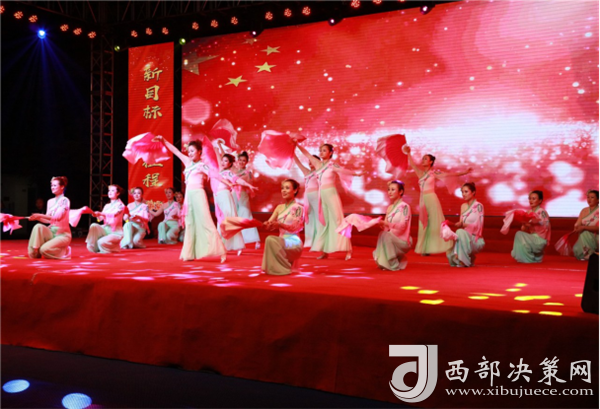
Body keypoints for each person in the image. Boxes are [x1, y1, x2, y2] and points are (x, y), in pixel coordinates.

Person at [153, 136, 227, 262]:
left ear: (199, 152)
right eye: (189, 151)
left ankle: (221, 251)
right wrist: (164, 141)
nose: (190, 153)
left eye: (193, 151)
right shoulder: (187, 162)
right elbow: (176, 151)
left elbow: (215, 175)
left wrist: (229, 183)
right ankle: (189, 253)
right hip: (189, 195)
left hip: (199, 194)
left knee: (206, 221)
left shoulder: (202, 165)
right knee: (190, 223)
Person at [296, 142, 361, 260]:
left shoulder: (332, 165)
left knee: (338, 219)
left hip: (331, 194)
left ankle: (348, 249)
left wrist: (356, 174)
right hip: (321, 195)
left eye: (324, 150)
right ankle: (324, 251)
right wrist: (296, 144)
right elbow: (306, 154)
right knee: (324, 222)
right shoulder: (318, 164)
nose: (321, 152)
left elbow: (343, 171)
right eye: (320, 150)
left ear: (330, 153)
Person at [405, 146, 471, 255]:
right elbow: (412, 164)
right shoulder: (420, 173)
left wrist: (464, 172)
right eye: (422, 158)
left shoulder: (434, 173)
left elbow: (449, 175)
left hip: (431, 198)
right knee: (424, 223)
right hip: (423, 199)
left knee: (434, 223)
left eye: (425, 159)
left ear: (431, 162)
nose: (423, 160)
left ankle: (436, 245)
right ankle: (425, 248)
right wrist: (408, 153)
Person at [215, 153, 258, 254]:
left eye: (226, 161)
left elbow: (238, 180)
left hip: (235, 195)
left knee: (234, 218)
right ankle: (223, 243)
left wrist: (249, 185)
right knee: (223, 220)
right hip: (225, 196)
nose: (223, 162)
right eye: (222, 160)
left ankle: (242, 242)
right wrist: (218, 147)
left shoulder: (231, 173)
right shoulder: (222, 172)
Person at [262, 179, 305, 275]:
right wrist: (265, 224)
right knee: (270, 239)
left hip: (293, 242)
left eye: (287, 188)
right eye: (282, 188)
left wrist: (280, 225)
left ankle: (282, 269)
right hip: (281, 241)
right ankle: (274, 269)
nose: (284, 191)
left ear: (295, 190)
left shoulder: (298, 208)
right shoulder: (279, 207)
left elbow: (296, 228)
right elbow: (269, 224)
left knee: (270, 239)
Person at [28, 176, 72, 259]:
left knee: (44, 250)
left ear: (62, 187)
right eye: (51, 185)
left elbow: (57, 217)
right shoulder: (50, 201)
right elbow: (48, 220)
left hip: (62, 235)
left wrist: (39, 215)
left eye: (55, 185)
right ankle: (34, 252)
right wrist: (36, 218)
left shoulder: (65, 200)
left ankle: (64, 251)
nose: (52, 187)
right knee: (38, 226)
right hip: (52, 233)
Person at [373, 181, 412, 270]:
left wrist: (387, 224)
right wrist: (380, 223)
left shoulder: (405, 206)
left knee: (385, 235)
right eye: (389, 189)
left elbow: (403, 227)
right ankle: (389, 260)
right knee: (382, 234)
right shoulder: (390, 207)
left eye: (393, 189)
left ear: (401, 191)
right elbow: (386, 227)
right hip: (391, 237)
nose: (390, 192)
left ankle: (393, 263)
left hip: (402, 239)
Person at [446, 182, 485, 267]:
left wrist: (464, 225)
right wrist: (454, 224)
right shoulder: (463, 206)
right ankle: (468, 257)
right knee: (451, 257)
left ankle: (464, 260)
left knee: (460, 231)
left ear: (473, 192)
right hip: (465, 237)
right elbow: (461, 223)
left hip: (475, 239)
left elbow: (479, 227)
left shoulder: (479, 206)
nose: (463, 194)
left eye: (466, 191)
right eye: (462, 192)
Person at [511, 190, 551, 263]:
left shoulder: (541, 211)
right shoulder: (529, 212)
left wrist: (533, 221)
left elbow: (545, 224)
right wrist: (524, 222)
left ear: (540, 201)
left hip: (540, 239)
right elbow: (523, 229)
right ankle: (529, 256)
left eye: (534, 199)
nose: (531, 201)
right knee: (519, 234)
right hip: (533, 237)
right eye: (530, 198)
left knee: (519, 234)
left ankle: (528, 259)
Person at [294, 153, 323, 249]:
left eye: (313, 161)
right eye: (309, 161)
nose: (310, 162)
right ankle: (310, 241)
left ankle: (320, 241)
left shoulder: (320, 172)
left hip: (316, 196)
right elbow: (298, 163)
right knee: (308, 218)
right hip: (307, 197)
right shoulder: (307, 172)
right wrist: (292, 153)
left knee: (318, 218)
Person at [86, 184, 126, 253]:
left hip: (115, 232)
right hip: (106, 229)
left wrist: (101, 213)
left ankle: (115, 247)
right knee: (93, 225)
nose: (110, 192)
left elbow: (114, 214)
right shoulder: (107, 206)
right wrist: (96, 215)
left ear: (118, 193)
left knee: (101, 242)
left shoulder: (120, 205)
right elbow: (100, 219)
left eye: (112, 190)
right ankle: (93, 246)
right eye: (109, 190)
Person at [233, 151, 261, 249]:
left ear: (247, 162)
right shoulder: (233, 171)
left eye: (243, 160)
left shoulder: (248, 173)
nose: (241, 162)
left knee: (246, 216)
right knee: (234, 216)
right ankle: (237, 240)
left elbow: (250, 185)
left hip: (243, 195)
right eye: (240, 160)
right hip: (233, 194)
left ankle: (256, 240)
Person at [573, 189, 599, 260]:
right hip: (585, 235)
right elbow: (578, 223)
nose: (589, 199)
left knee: (585, 231)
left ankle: (589, 253)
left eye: (592, 197)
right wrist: (576, 227)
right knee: (584, 233)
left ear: (598, 200)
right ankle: (585, 253)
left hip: (597, 235)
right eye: (588, 197)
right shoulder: (584, 210)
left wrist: (584, 227)